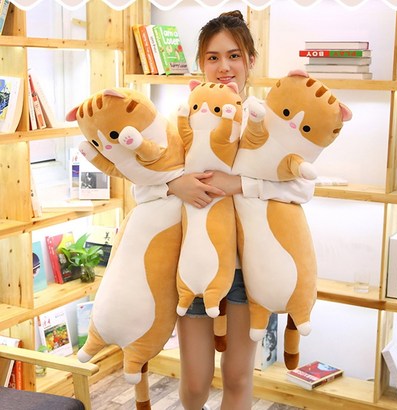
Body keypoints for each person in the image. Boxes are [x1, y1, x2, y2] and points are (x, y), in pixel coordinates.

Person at [132, 10, 315, 410]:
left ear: (251, 60)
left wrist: (241, 184)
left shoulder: (267, 121)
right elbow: (140, 184)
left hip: (249, 270)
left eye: (234, 56)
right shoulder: (183, 120)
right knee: (195, 382)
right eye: (213, 57)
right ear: (201, 64)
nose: (224, 67)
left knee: (237, 377)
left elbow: (302, 186)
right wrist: (174, 184)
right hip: (194, 267)